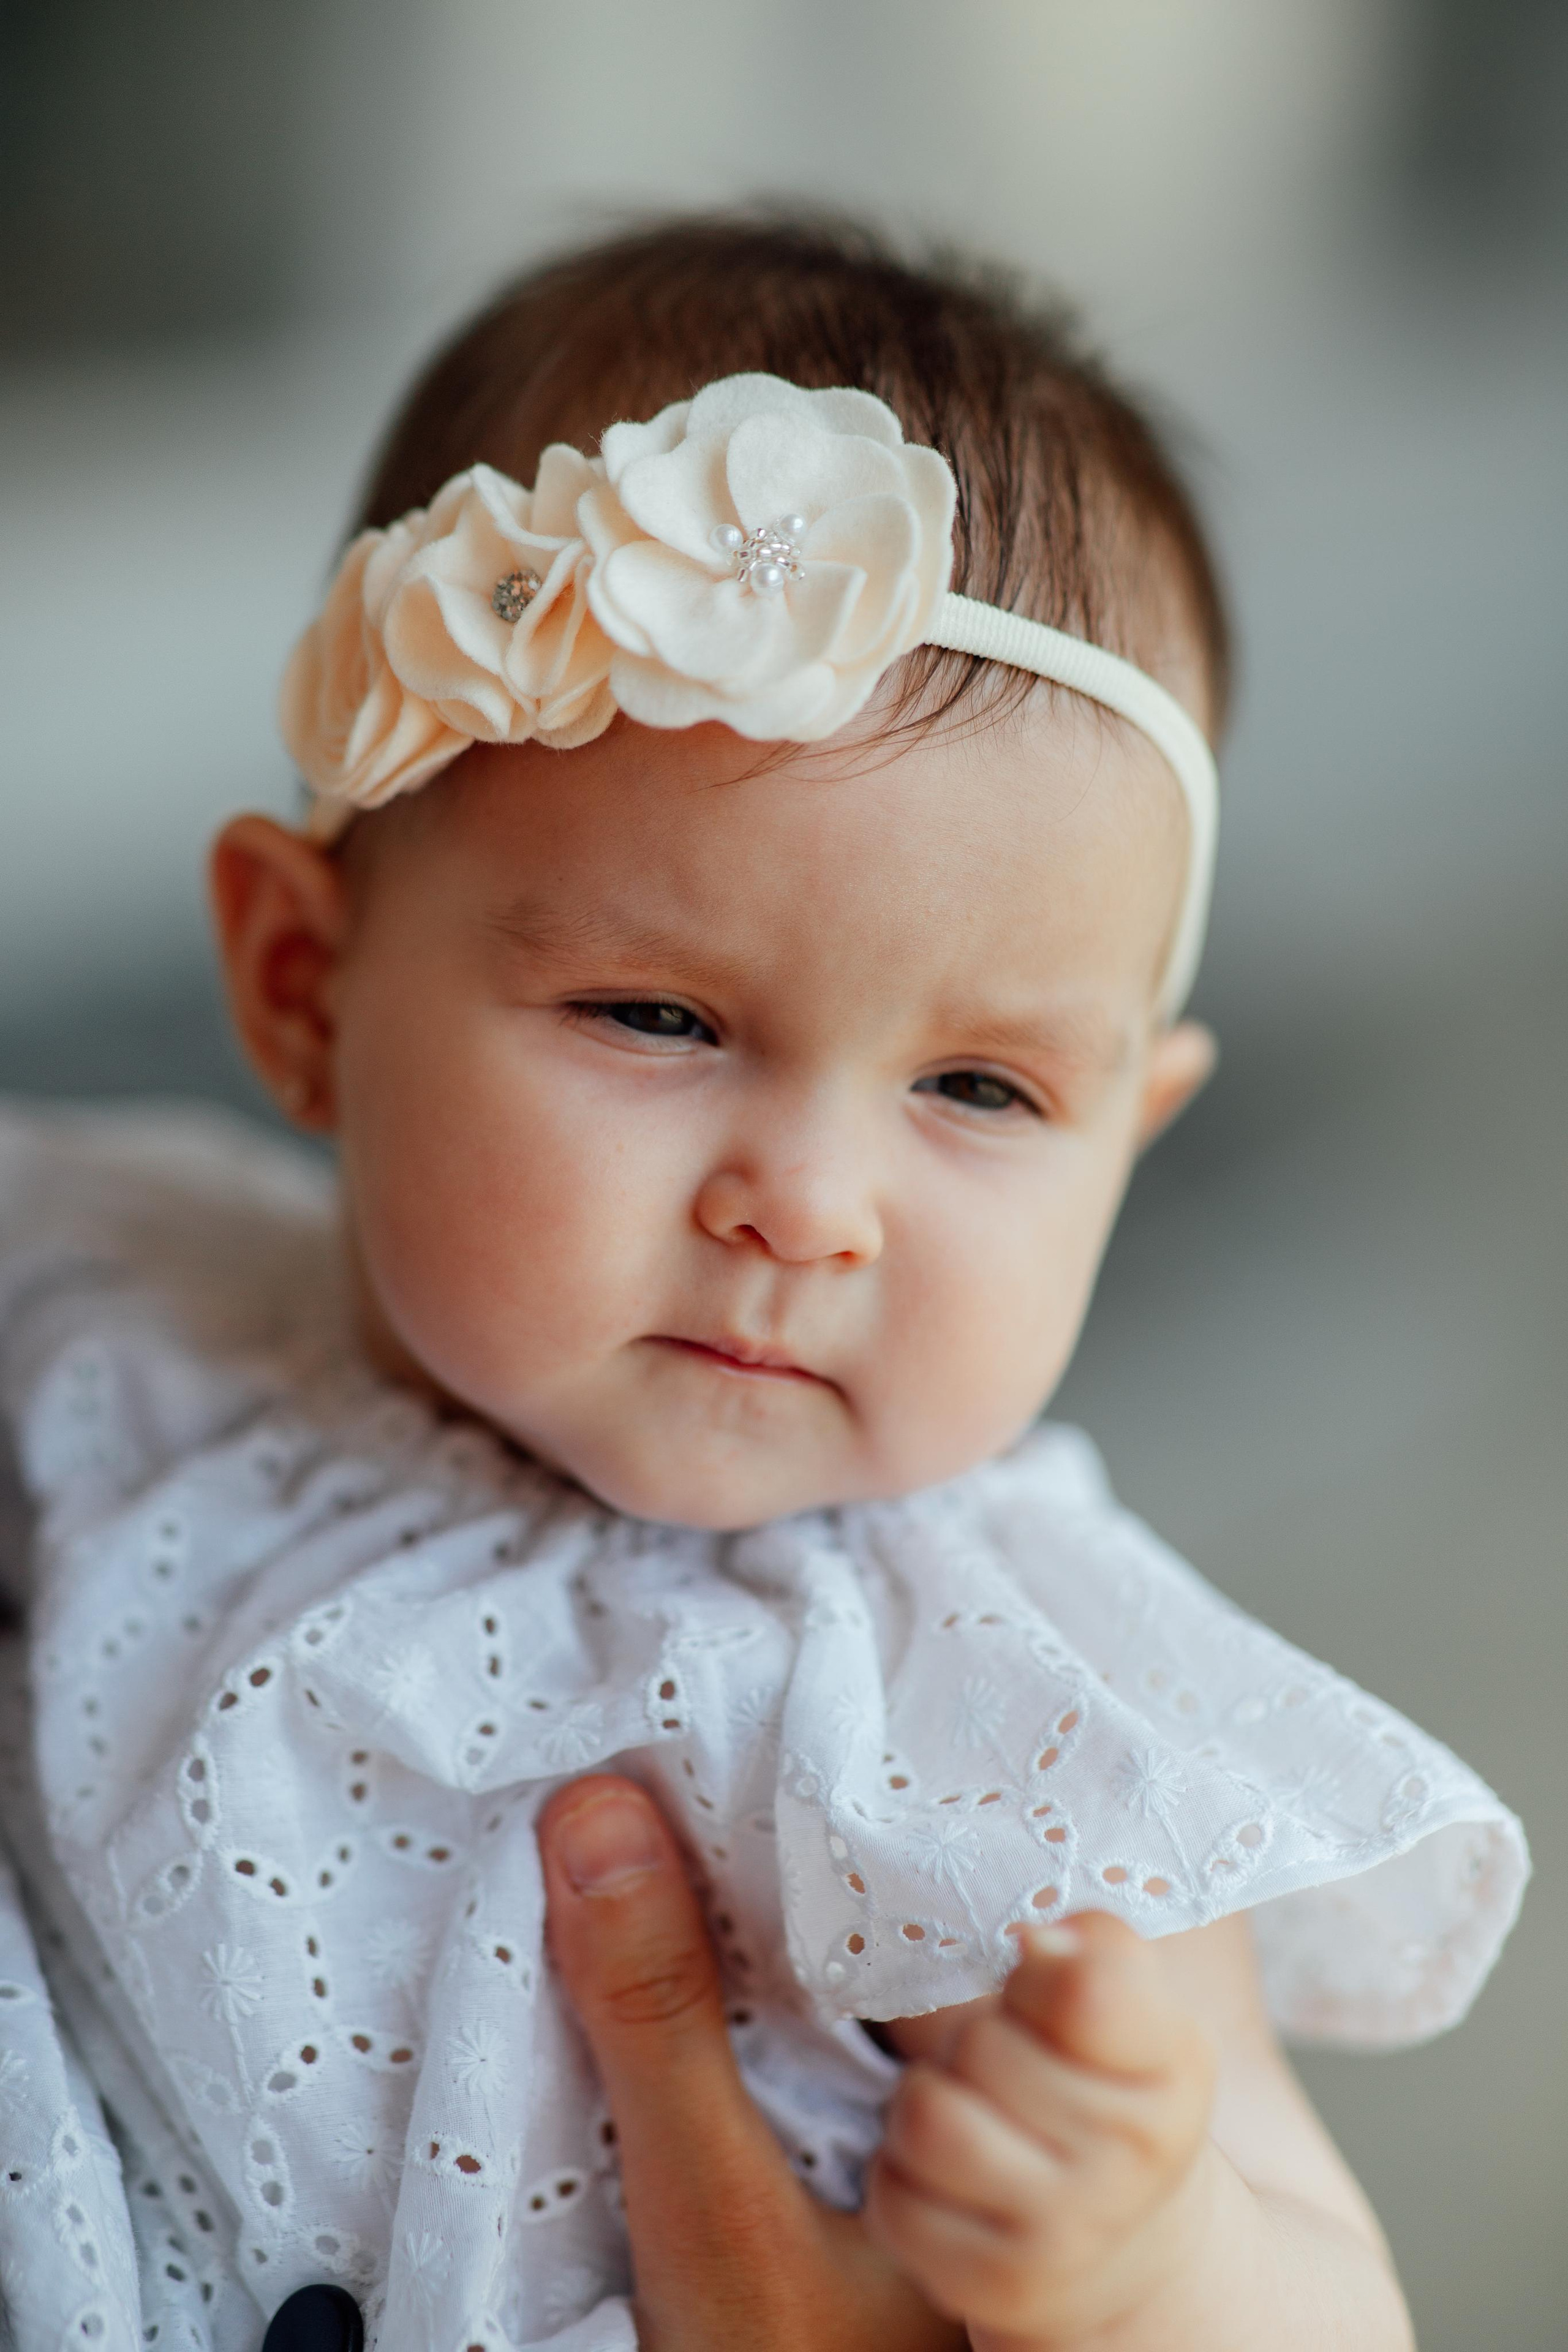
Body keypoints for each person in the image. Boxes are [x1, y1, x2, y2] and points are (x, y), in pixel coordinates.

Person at [0, 217, 1526, 2351]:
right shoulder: (109, 1289)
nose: (808, 1208)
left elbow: (1338, 2306)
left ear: (1131, 1140)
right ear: (301, 985)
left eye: (982, 1086)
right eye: (658, 1018)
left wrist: (1162, 2248)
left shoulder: (992, 1703)